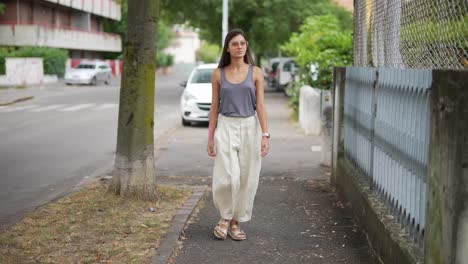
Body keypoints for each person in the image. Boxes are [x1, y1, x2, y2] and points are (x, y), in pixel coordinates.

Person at [207, 29, 270, 241]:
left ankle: (234, 222)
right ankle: (224, 217)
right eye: (235, 43)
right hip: (225, 126)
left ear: (247, 46)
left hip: (250, 127)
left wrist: (265, 135)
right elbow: (214, 106)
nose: (240, 46)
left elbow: (260, 105)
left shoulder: (256, 73)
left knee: (247, 177)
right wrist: (210, 137)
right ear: (228, 47)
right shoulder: (218, 74)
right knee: (227, 176)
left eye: (243, 43)